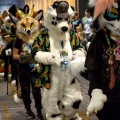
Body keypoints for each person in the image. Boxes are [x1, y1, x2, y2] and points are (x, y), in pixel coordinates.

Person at [12, 36, 43, 120]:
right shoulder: (19, 38)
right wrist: (25, 57)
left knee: (36, 90)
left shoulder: (37, 37)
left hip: (35, 69)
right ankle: (28, 110)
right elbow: (14, 55)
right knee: (25, 91)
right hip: (23, 69)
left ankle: (39, 111)